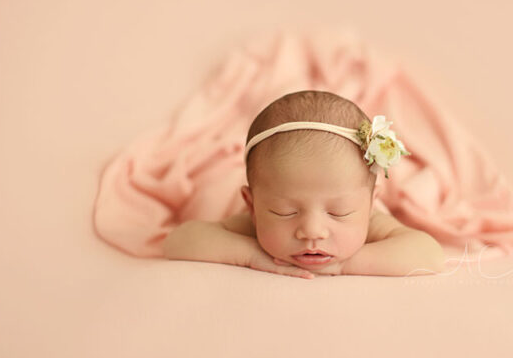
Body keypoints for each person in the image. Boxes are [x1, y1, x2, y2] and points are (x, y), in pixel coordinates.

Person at [163, 90, 446, 279]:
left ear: (371, 204)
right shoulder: (255, 223)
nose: (312, 231)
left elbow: (429, 255)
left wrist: (344, 264)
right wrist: (250, 254)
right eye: (285, 212)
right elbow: (177, 243)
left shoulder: (372, 219)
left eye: (339, 213)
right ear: (252, 205)